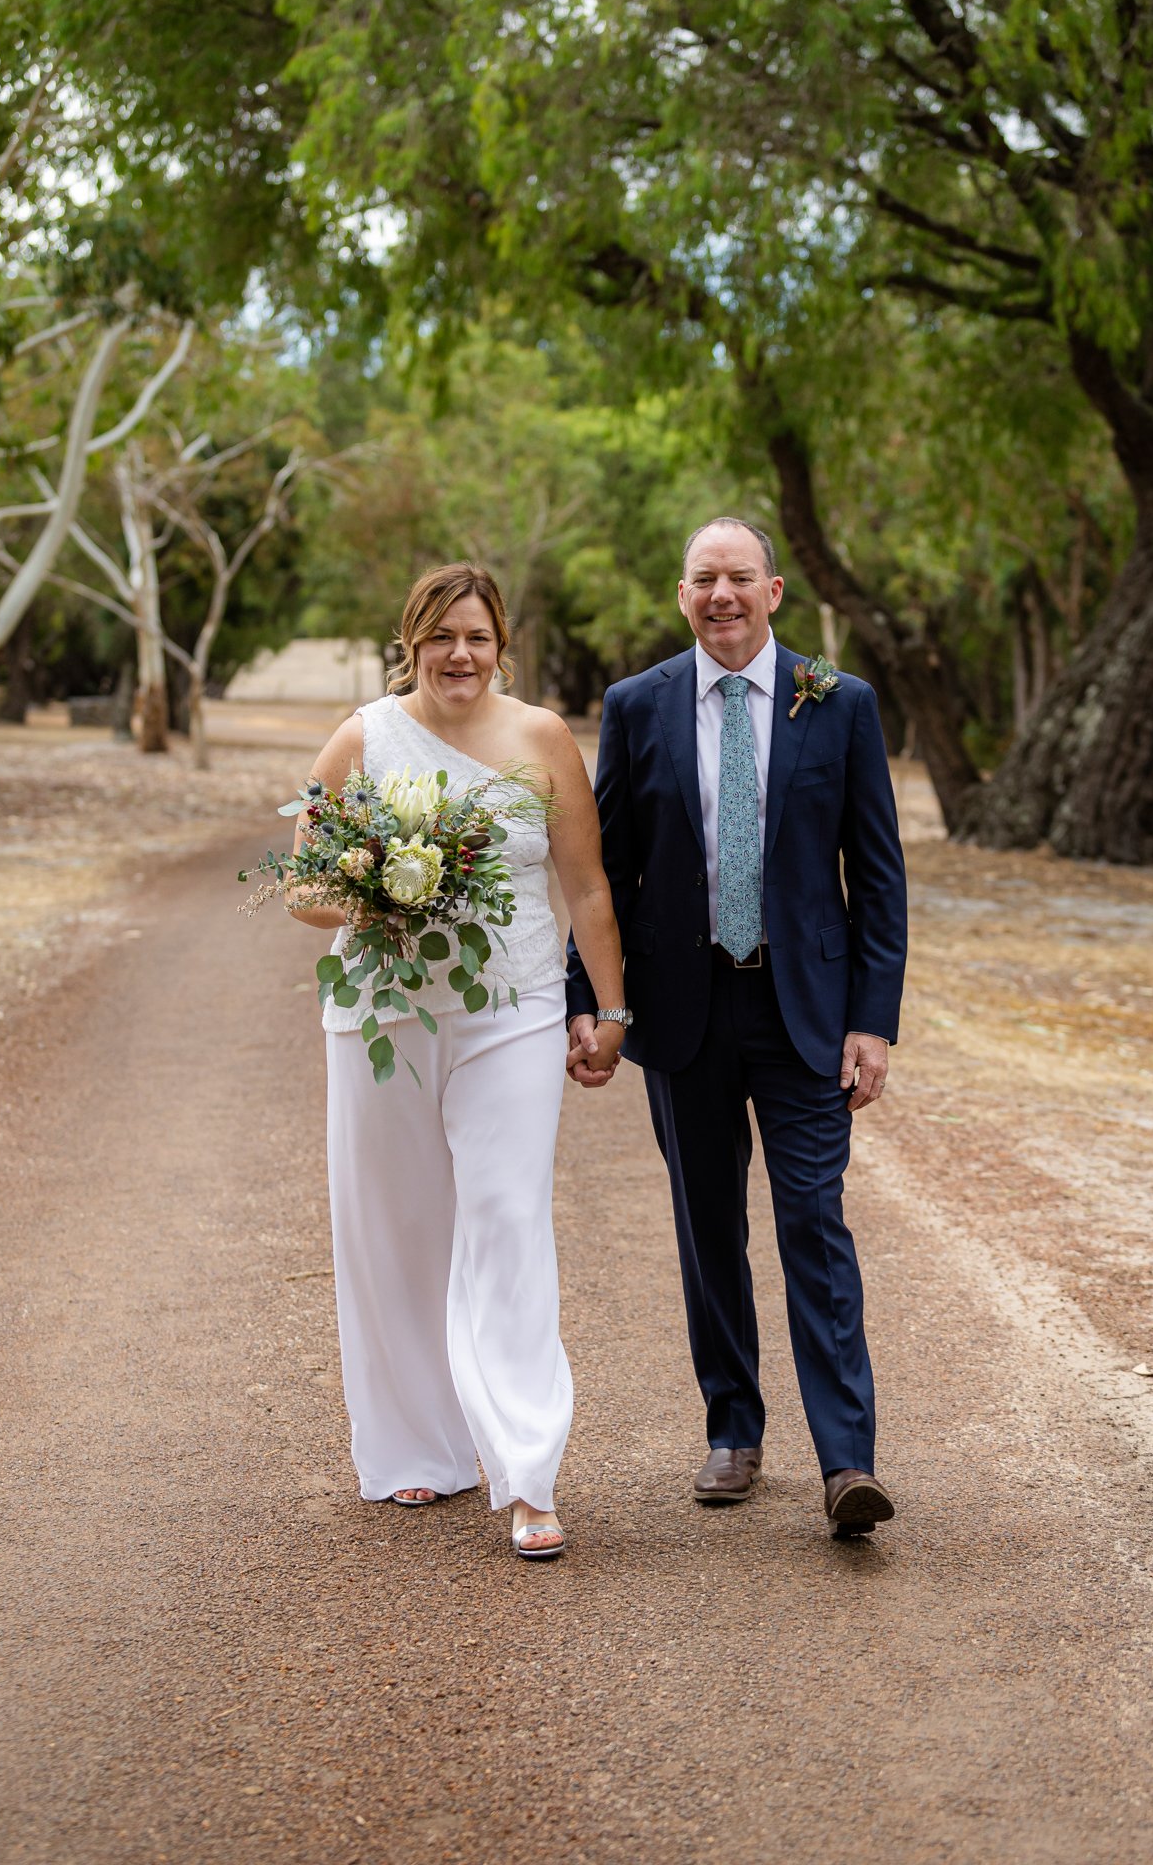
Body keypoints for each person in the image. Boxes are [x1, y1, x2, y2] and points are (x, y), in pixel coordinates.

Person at [566, 518, 908, 1535]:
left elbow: (877, 876)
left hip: (804, 1010)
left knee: (812, 1218)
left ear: (775, 592)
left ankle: (847, 1460)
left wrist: (872, 1021)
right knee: (707, 1222)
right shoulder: (635, 705)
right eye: (704, 579)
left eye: (739, 578)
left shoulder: (840, 703)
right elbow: (604, 873)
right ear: (682, 594)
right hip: (685, 1012)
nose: (722, 594)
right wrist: (597, 1000)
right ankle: (732, 1429)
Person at [290, 563, 626, 1559]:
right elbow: (305, 885)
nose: (460, 654)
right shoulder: (361, 736)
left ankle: (527, 1473)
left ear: (500, 641)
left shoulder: (542, 738)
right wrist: (383, 895)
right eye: (441, 636)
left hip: (511, 1010)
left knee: (506, 1216)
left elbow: (589, 886)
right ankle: (414, 1446)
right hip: (383, 1014)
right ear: (412, 641)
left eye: (476, 635)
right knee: (391, 1225)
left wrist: (611, 1006)